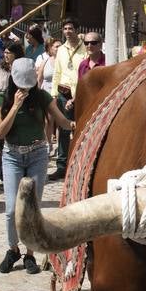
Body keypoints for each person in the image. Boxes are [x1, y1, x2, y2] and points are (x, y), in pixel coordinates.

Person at [0, 57, 75, 274]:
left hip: (37, 154)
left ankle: (30, 254)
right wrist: (16, 106)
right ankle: (13, 249)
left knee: (33, 208)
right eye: (22, 85)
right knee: (11, 209)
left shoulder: (40, 96)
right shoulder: (3, 97)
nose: (25, 89)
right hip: (12, 155)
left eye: (29, 85)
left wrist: (76, 123)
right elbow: (0, 131)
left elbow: (62, 121)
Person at [50, 19, 86, 181]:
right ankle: (61, 167)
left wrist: (78, 95)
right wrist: (53, 93)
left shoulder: (85, 47)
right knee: (63, 130)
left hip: (80, 93)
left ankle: (79, 164)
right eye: (65, 29)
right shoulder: (62, 50)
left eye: (71, 28)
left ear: (76, 30)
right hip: (63, 92)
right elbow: (57, 72)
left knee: (80, 128)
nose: (68, 31)